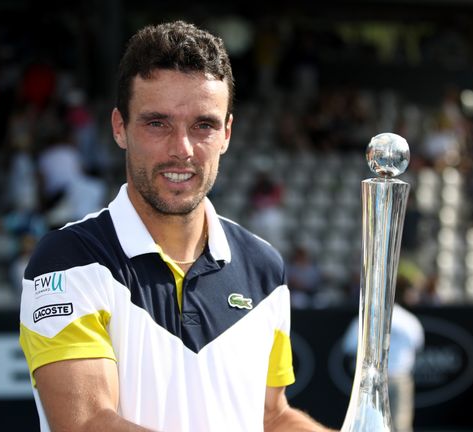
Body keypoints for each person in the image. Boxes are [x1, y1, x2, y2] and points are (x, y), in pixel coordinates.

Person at [19, 21, 332, 432]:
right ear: (119, 128)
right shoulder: (69, 260)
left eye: (203, 125)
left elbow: (270, 415)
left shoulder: (263, 267)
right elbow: (87, 424)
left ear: (227, 134)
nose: (181, 150)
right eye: (157, 123)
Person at [342, 272, 425, 432]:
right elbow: (418, 346)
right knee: (398, 425)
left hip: (380, 380)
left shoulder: (365, 318)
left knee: (374, 425)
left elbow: (349, 347)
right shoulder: (410, 321)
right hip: (384, 380)